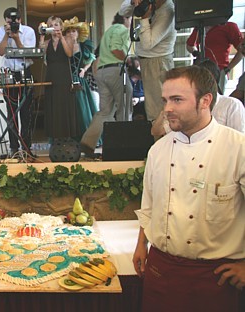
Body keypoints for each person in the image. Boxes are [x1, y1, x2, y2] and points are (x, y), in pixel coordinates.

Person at [133, 66, 244, 312]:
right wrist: (142, 244)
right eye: (165, 100)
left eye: (177, 100)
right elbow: (149, 205)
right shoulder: (158, 150)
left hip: (214, 276)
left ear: (205, 100)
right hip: (161, 269)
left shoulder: (237, 148)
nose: (167, 108)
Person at [80, 13, 132, 157]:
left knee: (104, 111)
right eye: (131, 18)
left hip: (102, 72)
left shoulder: (108, 31)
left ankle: (88, 142)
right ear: (126, 18)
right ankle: (125, 146)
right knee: (124, 107)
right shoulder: (121, 29)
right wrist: (128, 61)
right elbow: (116, 49)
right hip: (116, 70)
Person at [151, 59, 245, 136]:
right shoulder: (176, 112)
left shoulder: (231, 105)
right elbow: (156, 132)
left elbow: (239, 136)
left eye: (177, 99)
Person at [119, 0, 176, 121]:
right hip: (148, 62)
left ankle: (163, 139)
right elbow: (123, 11)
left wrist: (144, 18)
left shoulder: (167, 11)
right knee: (153, 110)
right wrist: (133, 2)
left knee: (158, 112)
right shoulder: (151, 4)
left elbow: (147, 43)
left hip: (157, 63)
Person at [0, 7, 36, 156]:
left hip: (25, 71)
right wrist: (7, 36)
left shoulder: (29, 31)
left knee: (26, 111)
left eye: (15, 22)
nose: (12, 24)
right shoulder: (1, 31)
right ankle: (13, 147)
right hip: (9, 73)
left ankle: (27, 146)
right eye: (9, 22)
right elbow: (0, 52)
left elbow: (28, 53)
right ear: (5, 21)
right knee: (11, 111)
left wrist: (17, 37)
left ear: (20, 20)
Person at [38, 16, 80, 144]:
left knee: (64, 105)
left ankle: (67, 137)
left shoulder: (68, 38)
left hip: (64, 77)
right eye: (51, 25)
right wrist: (41, 35)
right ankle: (54, 138)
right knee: (53, 105)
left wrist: (61, 37)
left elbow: (69, 54)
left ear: (61, 27)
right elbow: (40, 53)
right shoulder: (47, 43)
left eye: (56, 25)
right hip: (51, 76)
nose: (54, 27)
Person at [63, 16, 99, 138]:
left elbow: (90, 59)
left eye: (73, 31)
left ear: (78, 33)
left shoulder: (84, 46)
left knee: (82, 109)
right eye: (68, 31)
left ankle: (86, 138)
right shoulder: (62, 46)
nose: (71, 33)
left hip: (79, 80)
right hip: (66, 80)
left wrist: (84, 69)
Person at [186, 21, 243, 93]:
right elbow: (189, 45)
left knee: (217, 98)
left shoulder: (229, 26)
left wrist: (227, 69)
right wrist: (196, 53)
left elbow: (241, 51)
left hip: (220, 70)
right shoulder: (200, 26)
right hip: (201, 70)